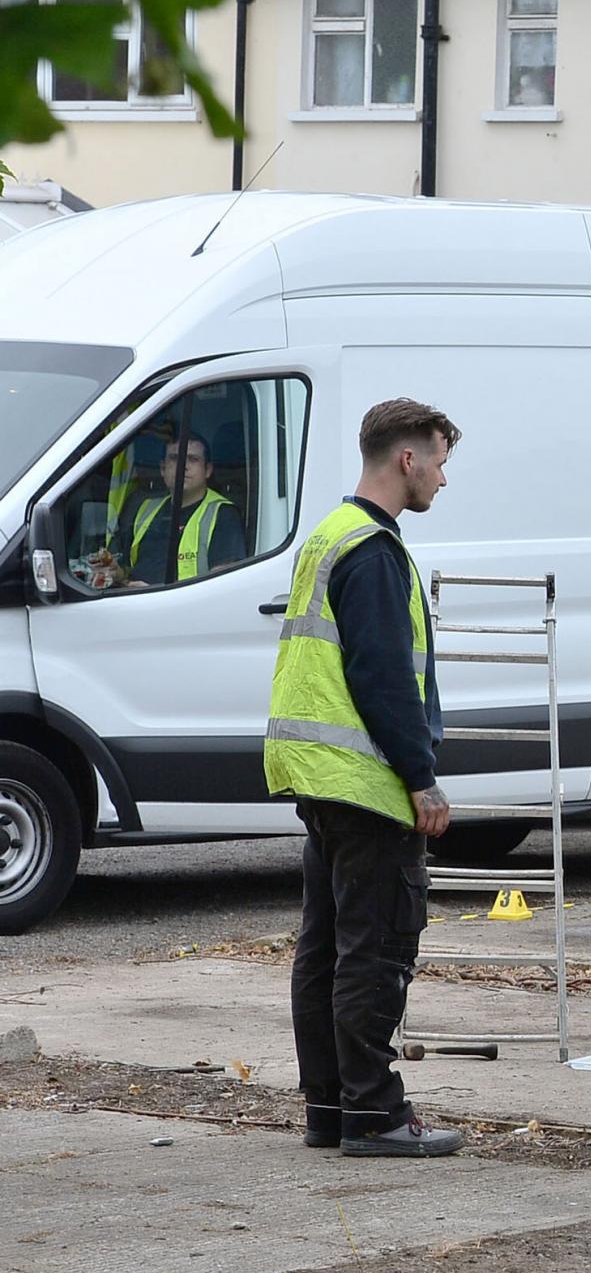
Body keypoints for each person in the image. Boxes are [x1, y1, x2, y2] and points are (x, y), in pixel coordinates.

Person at [265, 398, 463, 1159]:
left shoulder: (328, 535)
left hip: (319, 777)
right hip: (365, 779)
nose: (445, 479)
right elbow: (384, 678)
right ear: (406, 459)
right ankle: (376, 1112)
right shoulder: (375, 551)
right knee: (375, 947)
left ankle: (331, 1106)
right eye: (440, 461)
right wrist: (421, 777)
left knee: (326, 950)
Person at [92, 434, 244, 587]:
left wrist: (154, 591)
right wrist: (116, 573)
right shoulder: (144, 509)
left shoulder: (223, 513)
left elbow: (223, 584)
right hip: (136, 602)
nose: (183, 465)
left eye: (193, 459)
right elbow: (130, 570)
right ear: (163, 469)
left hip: (183, 608)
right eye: (175, 458)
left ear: (208, 470)